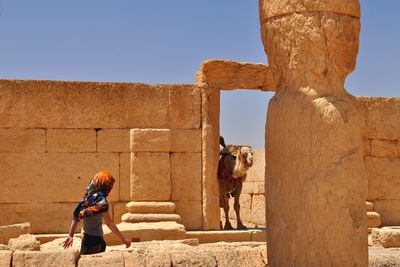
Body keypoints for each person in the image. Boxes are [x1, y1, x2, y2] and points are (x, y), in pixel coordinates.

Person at [62, 171, 131, 254]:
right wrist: (123, 239)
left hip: (89, 241)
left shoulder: (86, 200)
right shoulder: (101, 201)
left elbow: (75, 218)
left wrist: (70, 235)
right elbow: (109, 223)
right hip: (99, 241)